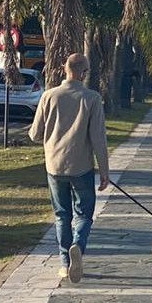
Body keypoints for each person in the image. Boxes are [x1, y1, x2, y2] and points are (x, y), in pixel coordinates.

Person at [28, 53, 110, 284]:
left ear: (65, 70)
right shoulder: (92, 99)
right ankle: (78, 245)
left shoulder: (48, 96)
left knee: (61, 214)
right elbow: (98, 138)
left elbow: (35, 134)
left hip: (54, 165)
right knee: (84, 214)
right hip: (81, 166)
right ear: (83, 73)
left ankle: (65, 263)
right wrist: (104, 170)